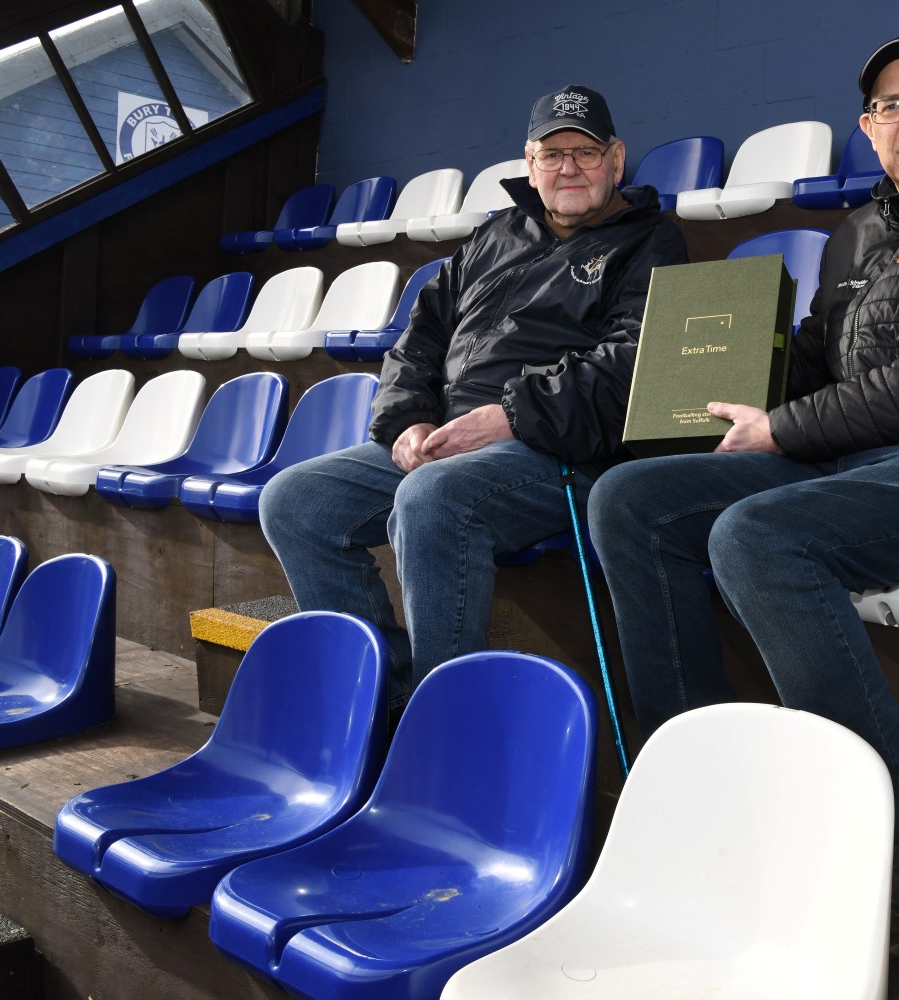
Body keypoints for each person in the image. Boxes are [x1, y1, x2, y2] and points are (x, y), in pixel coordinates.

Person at [587, 32, 899, 954]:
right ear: (868, 129)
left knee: (757, 537)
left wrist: (787, 428)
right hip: (855, 464)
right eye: (891, 107)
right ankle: (698, 796)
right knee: (630, 500)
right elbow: (813, 364)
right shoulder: (856, 231)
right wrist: (716, 385)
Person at [261, 85, 688, 709]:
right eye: (552, 153)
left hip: (555, 451)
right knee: (296, 499)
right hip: (449, 438)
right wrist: (408, 417)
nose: (568, 167)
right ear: (530, 162)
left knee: (433, 497)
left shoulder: (650, 241)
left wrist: (512, 417)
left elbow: (632, 363)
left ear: (616, 160)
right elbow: (422, 334)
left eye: (585, 152)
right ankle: (389, 698)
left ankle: (445, 724)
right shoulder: (498, 233)